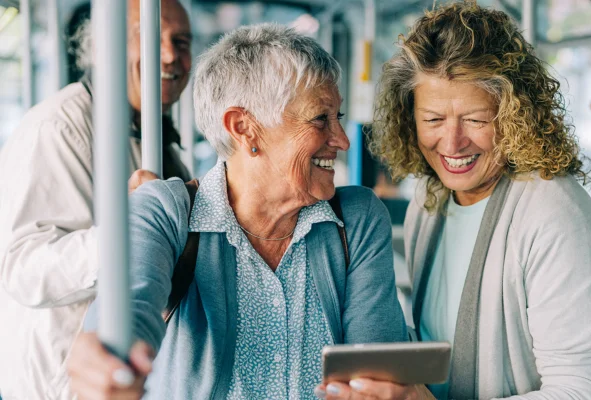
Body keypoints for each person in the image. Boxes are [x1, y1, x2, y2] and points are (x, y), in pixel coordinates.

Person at [65, 23, 407, 399]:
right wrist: (111, 357)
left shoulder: (356, 219)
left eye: (337, 117)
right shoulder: (164, 212)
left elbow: (376, 373)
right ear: (244, 128)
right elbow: (129, 305)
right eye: (320, 119)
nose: (341, 140)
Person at [319, 2, 591, 399]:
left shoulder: (556, 215)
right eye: (434, 120)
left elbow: (580, 393)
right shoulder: (430, 198)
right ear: (408, 117)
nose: (452, 143)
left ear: (515, 115)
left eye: (475, 119)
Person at [0, 0, 193, 398]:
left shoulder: (155, 134)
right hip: (62, 383)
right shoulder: (59, 127)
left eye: (183, 41)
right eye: (150, 37)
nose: (171, 55)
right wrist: (133, 231)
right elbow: (23, 267)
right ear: (106, 45)